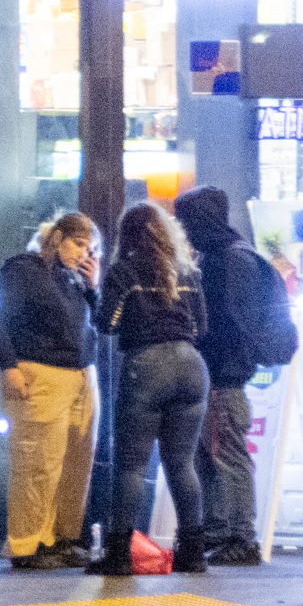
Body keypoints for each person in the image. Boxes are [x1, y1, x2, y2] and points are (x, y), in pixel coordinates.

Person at [99, 202, 210, 578]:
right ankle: (193, 553)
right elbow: (201, 326)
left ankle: (117, 556)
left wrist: (90, 292)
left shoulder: (123, 270)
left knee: (130, 465)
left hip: (147, 366)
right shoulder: (187, 271)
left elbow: (107, 324)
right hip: (192, 366)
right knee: (182, 462)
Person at [0, 211, 102, 571]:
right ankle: (27, 543)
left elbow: (100, 324)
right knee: (37, 463)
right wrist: (8, 366)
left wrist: (93, 288)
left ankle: (63, 537)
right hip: (39, 372)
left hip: (82, 375)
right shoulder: (25, 269)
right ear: (57, 237)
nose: (83, 253)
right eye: (79, 243)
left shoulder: (76, 281)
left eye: (90, 248)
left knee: (75, 464)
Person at [174, 187, 270, 567]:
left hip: (221, 378)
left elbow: (226, 323)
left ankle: (241, 538)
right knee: (211, 455)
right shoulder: (230, 254)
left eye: (185, 219)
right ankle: (220, 531)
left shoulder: (224, 261)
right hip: (220, 376)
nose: (181, 228)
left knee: (226, 456)